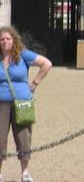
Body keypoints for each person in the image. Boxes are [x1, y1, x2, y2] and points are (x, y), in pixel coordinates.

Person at [0, 26, 52, 182]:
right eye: (2, 39)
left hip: (22, 101)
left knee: (23, 137)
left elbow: (46, 64)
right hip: (1, 102)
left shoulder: (23, 55)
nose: (5, 42)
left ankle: (25, 172)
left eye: (8, 39)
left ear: (14, 40)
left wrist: (34, 84)